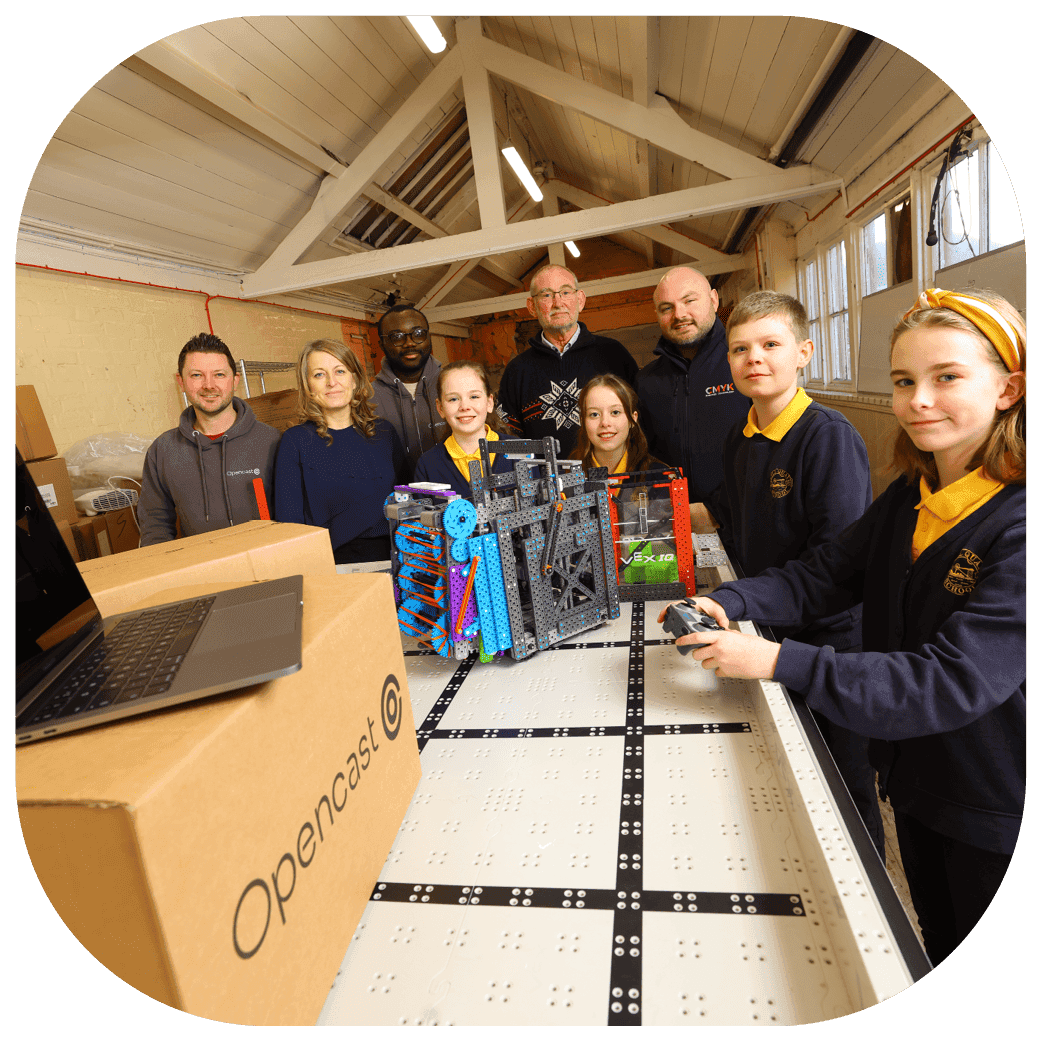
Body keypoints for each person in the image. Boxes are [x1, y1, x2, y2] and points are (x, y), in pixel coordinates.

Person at [666, 289, 1025, 966]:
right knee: (937, 944)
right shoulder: (912, 497)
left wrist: (778, 661)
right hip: (914, 779)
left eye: (947, 377)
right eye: (904, 381)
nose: (920, 400)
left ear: (1009, 389)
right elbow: (824, 572)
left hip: (992, 807)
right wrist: (731, 600)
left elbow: (948, 680)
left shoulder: (1018, 525)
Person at [696, 290, 882, 855]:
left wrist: (738, 596)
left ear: (803, 352)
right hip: (767, 628)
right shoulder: (740, 437)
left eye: (770, 344)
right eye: (740, 349)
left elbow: (835, 566)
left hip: (829, 642)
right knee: (793, 776)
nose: (754, 358)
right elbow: (727, 519)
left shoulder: (828, 437)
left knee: (844, 787)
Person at [138, 333, 280, 546]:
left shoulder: (273, 441)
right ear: (181, 382)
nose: (209, 385)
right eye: (196, 375)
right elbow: (155, 527)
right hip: (202, 565)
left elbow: (296, 520)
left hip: (270, 561)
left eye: (219, 375)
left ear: (235, 381)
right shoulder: (163, 450)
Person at [273, 339, 405, 564]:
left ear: (354, 379)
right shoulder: (295, 441)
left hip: (395, 560)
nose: (331, 382)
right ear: (308, 386)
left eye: (340, 371)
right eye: (319, 375)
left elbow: (407, 503)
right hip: (331, 565)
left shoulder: (385, 433)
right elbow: (289, 525)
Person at [634, 266, 750, 505]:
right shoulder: (646, 382)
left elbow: (772, 452)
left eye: (689, 301)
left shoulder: (747, 364)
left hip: (742, 517)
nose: (679, 314)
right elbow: (642, 457)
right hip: (671, 517)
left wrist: (717, 511)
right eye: (667, 308)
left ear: (714, 300)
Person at [498, 264, 638, 457]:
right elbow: (508, 439)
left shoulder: (613, 354)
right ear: (531, 306)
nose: (557, 303)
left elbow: (640, 420)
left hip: (615, 473)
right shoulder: (517, 370)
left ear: (580, 300)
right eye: (546, 295)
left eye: (565, 292)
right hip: (546, 476)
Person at [412, 360, 515, 499]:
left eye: (474, 396)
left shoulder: (520, 451)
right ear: (440, 408)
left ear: (489, 402)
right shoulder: (427, 465)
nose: (464, 406)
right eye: (453, 399)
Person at [371, 304, 445, 477]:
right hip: (397, 493)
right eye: (396, 337)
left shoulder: (454, 386)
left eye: (418, 333)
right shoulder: (367, 399)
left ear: (429, 337)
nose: (409, 343)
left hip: (457, 492)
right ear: (382, 344)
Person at [570, 374, 659, 477]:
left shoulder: (660, 475)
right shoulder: (565, 474)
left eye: (615, 412)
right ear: (582, 421)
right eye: (594, 414)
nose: (605, 423)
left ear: (632, 419)